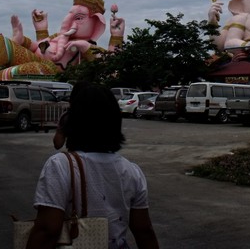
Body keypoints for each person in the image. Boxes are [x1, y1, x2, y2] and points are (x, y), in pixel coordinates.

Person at [27, 84, 159, 249]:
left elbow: (47, 230)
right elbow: (144, 231)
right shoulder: (132, 171)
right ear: (115, 121)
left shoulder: (60, 166)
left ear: (74, 121)